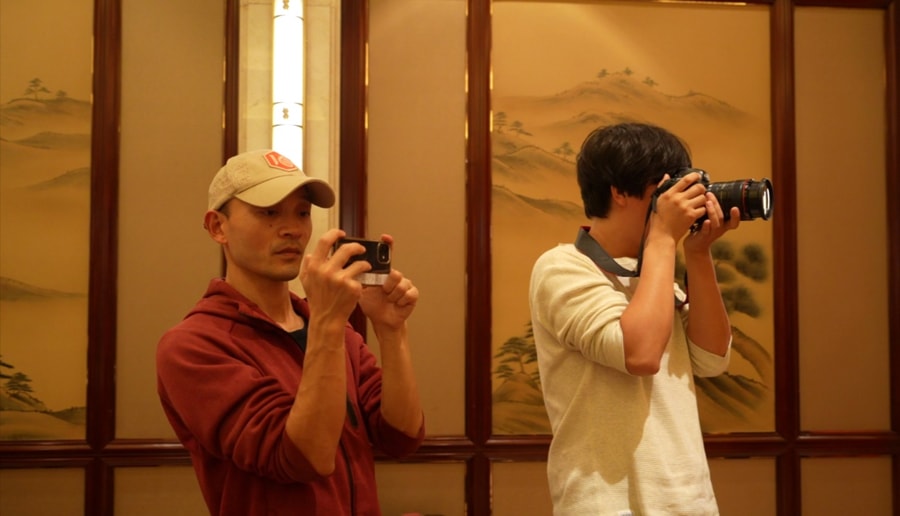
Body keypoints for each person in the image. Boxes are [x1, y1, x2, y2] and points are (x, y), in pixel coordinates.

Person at [156, 149, 425, 515]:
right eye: (269, 212)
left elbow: (401, 437)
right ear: (218, 227)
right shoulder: (192, 346)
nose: (293, 229)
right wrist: (327, 324)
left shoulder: (334, 330)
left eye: (302, 213)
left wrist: (391, 331)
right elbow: (302, 459)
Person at [529, 123, 739, 515]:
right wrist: (663, 237)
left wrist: (697, 253)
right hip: (608, 503)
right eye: (665, 188)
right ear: (619, 192)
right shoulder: (561, 267)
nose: (678, 201)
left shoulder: (652, 275)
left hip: (689, 500)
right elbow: (640, 354)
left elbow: (712, 359)